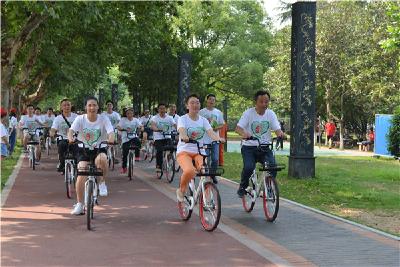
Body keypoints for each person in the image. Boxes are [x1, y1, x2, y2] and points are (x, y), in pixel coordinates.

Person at [68, 96, 114, 215]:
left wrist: (111, 139)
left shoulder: (104, 119)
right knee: (82, 171)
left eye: (94, 105)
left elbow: (110, 132)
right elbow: (71, 131)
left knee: (102, 159)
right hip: (83, 149)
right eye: (89, 105)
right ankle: (79, 204)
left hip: (100, 148)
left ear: (98, 107)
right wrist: (70, 138)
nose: (92, 107)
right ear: (85, 107)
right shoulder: (80, 119)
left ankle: (102, 182)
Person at [235, 90, 284, 198]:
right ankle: (243, 186)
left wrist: (280, 134)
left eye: (266, 102)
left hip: (265, 147)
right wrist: (244, 133)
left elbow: (277, 129)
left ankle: (268, 189)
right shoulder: (248, 113)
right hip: (249, 147)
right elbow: (238, 128)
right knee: (248, 167)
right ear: (255, 102)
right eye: (261, 102)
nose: (264, 104)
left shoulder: (271, 114)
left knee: (272, 167)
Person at [176, 94, 225, 201]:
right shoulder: (183, 119)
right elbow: (181, 129)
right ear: (187, 105)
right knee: (190, 171)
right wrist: (184, 136)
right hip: (184, 151)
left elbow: (210, 132)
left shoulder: (203, 120)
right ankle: (181, 190)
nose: (195, 105)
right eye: (192, 103)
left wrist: (218, 138)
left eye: (197, 103)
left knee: (206, 173)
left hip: (199, 152)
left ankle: (207, 199)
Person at [199, 94, 225, 183]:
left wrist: (216, 127)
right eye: (210, 99)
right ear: (207, 101)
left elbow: (222, 124)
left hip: (215, 139)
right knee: (205, 157)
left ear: (215, 101)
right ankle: (205, 174)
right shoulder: (201, 112)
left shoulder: (218, 112)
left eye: (213, 100)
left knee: (215, 159)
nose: (211, 101)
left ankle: (213, 174)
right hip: (204, 139)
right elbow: (197, 123)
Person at [50, 99, 78, 172]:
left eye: (68, 105)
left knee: (77, 149)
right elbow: (53, 128)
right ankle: (62, 163)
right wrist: (52, 133)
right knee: (62, 145)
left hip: (74, 139)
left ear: (71, 106)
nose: (66, 107)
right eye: (64, 105)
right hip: (62, 138)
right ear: (61, 107)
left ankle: (77, 164)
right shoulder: (58, 118)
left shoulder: (76, 117)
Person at [151, 103, 176, 172]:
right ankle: (158, 166)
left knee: (172, 148)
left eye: (164, 108)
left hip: (167, 137)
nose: (162, 110)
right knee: (159, 150)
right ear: (158, 110)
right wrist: (156, 129)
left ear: (166, 109)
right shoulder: (155, 118)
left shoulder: (169, 118)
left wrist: (180, 130)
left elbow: (175, 125)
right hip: (158, 138)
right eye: (160, 108)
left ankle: (169, 160)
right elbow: (153, 125)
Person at [117, 107, 143, 174]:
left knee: (138, 142)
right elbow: (118, 127)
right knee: (125, 153)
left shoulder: (136, 120)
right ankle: (124, 168)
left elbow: (141, 126)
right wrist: (122, 129)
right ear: (126, 114)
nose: (129, 115)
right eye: (128, 113)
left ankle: (137, 156)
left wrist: (141, 128)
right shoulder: (123, 119)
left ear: (133, 114)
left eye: (131, 113)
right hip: (125, 138)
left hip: (133, 137)